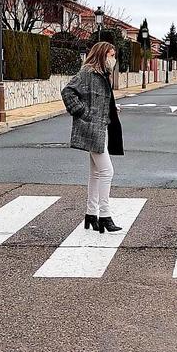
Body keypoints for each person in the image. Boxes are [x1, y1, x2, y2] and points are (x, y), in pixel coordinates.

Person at [62, 42, 125, 233]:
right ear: (101, 55)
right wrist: (82, 112)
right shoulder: (87, 74)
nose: (113, 59)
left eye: (114, 55)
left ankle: (91, 214)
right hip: (91, 129)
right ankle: (105, 216)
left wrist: (111, 109)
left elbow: (97, 100)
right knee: (107, 172)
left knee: (96, 173)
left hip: (100, 127)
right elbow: (67, 91)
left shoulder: (101, 75)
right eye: (111, 55)